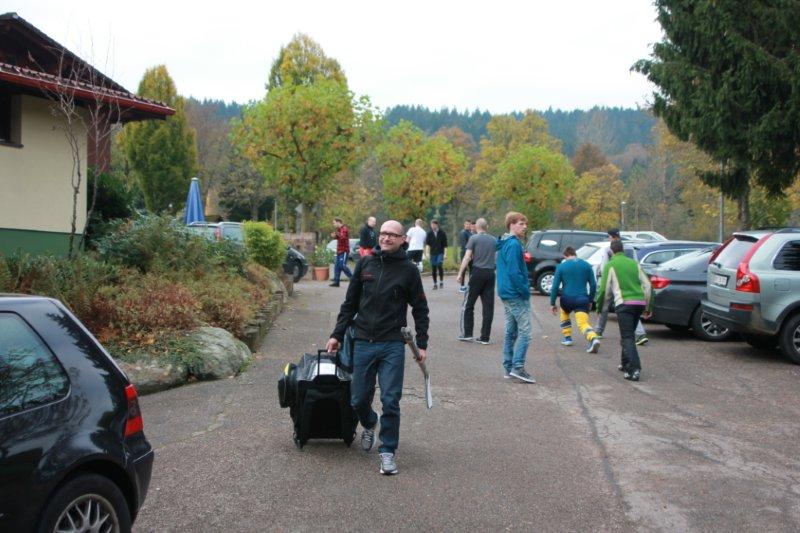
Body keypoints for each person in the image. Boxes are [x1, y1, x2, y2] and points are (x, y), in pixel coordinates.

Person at [326, 220, 430, 476]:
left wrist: (422, 343)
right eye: (383, 233)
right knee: (358, 399)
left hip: (392, 344)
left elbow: (420, 308)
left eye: (392, 235)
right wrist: (337, 335)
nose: (386, 238)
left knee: (390, 400)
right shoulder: (365, 263)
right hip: (363, 341)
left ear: (403, 239)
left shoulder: (409, 271)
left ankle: (387, 452)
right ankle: (370, 421)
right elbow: (349, 304)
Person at [595, 239, 653, 381]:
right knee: (628, 334)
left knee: (627, 337)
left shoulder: (610, 265)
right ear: (623, 250)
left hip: (624, 304)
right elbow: (648, 285)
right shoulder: (634, 264)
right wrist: (648, 307)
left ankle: (634, 369)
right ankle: (624, 363)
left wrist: (600, 307)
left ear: (611, 251)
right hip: (639, 303)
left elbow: (604, 290)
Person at [496, 212, 535, 383]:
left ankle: (508, 368)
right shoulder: (513, 245)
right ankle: (518, 367)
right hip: (515, 293)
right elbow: (514, 272)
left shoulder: (506, 242)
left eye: (525, 224)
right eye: (521, 223)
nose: (524, 227)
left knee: (511, 331)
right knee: (526, 332)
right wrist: (525, 290)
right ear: (511, 225)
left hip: (507, 292)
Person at [595, 228, 649, 345]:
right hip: (629, 280)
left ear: (611, 237)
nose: (608, 239)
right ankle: (640, 334)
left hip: (613, 280)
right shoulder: (630, 248)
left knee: (605, 306)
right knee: (632, 304)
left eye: (609, 237)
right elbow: (636, 263)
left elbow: (604, 267)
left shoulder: (608, 250)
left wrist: (601, 281)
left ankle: (599, 331)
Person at [549, 246, 600, 353]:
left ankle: (567, 338)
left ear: (565, 256)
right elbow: (593, 285)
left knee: (564, 313)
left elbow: (555, 287)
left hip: (566, 299)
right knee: (582, 323)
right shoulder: (586, 265)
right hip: (582, 299)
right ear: (575, 254)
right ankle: (593, 338)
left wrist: (552, 303)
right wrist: (590, 300)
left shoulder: (561, 266)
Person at [456, 218, 495, 344]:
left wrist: (460, 273)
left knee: (469, 304)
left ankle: (467, 333)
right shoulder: (493, 240)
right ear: (486, 227)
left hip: (477, 272)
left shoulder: (473, 238)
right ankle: (485, 337)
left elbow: (467, 257)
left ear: (476, 227)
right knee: (488, 307)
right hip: (490, 274)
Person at [425, 219, 448, 290]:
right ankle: (435, 284)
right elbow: (427, 244)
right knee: (433, 268)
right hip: (433, 253)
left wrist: (445, 254)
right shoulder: (429, 233)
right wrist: (427, 253)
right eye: (431, 225)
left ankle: (441, 281)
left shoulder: (442, 233)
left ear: (436, 225)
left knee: (439, 264)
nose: (432, 226)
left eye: (433, 225)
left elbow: (445, 245)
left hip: (440, 253)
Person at [329, 218, 353, 287]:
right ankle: (336, 282)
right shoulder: (339, 230)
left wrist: (336, 234)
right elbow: (339, 237)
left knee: (342, 265)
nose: (333, 225)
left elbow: (342, 237)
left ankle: (353, 279)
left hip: (344, 251)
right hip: (339, 251)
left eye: (334, 223)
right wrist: (335, 236)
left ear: (338, 222)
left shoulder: (344, 229)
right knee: (337, 266)